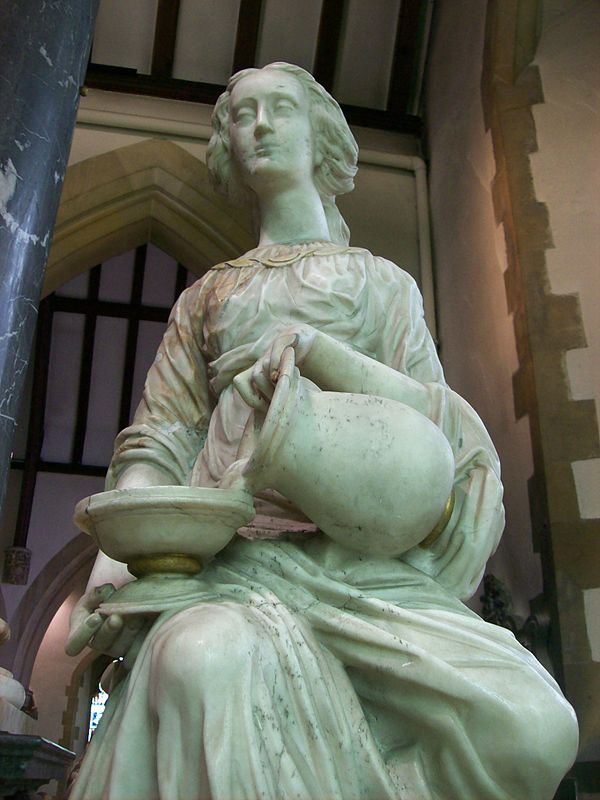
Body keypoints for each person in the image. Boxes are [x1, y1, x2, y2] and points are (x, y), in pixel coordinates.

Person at [67, 63, 578, 800]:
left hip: (365, 562)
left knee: (535, 727)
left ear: (321, 136)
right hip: (233, 562)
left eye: (281, 109)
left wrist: (324, 355)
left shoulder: (381, 284)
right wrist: (112, 576)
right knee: (202, 659)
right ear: (228, 148)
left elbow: (431, 427)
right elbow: (159, 442)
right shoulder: (207, 298)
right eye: (242, 116)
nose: (261, 126)